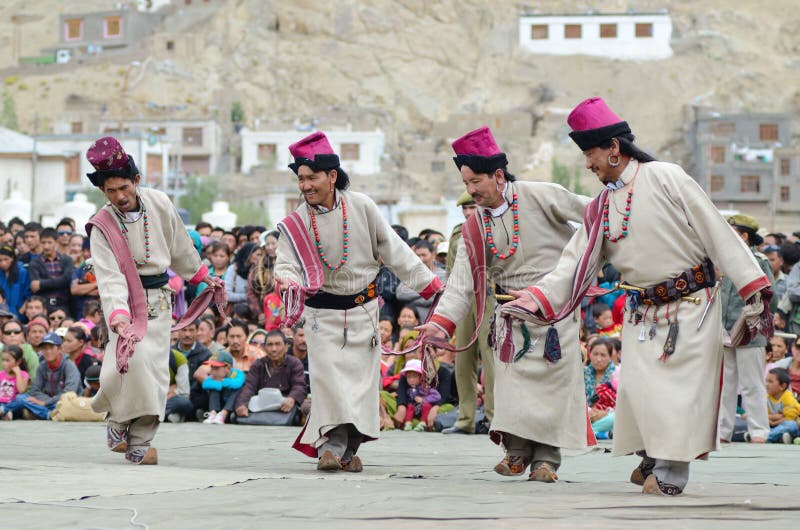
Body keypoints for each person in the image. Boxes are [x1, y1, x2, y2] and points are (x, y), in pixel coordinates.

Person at [500, 97, 774, 495]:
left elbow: (718, 231)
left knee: (676, 398)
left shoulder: (667, 176)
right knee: (642, 396)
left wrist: (753, 287)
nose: (588, 164)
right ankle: (652, 454)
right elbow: (573, 262)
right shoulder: (600, 207)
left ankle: (669, 474)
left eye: (590, 154)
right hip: (642, 315)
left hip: (691, 310)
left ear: (614, 148)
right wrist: (538, 296)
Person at [418, 126, 590, 482]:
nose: (471, 191)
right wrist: (438, 325)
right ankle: (516, 452)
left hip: (555, 312)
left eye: (476, 181)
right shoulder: (473, 227)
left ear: (498, 175)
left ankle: (546, 459)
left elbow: (594, 213)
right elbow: (461, 283)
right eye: (466, 184)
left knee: (551, 388)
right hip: (509, 316)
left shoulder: (541, 194)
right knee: (510, 388)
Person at [275, 131, 442, 472]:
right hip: (321, 313)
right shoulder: (296, 222)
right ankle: (331, 446)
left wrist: (432, 287)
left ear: (332, 176)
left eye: (312, 178)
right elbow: (286, 261)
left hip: (365, 311)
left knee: (359, 386)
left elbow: (394, 250)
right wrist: (288, 281)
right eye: (301, 179)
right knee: (328, 383)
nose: (305, 186)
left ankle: (347, 448)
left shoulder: (362, 206)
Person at [84, 137, 219, 465]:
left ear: (137, 181)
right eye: (111, 191)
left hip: (159, 301)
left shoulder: (159, 202)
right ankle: (117, 419)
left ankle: (140, 443)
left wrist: (203, 278)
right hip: (124, 305)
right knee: (123, 366)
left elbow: (181, 248)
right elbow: (109, 275)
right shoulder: (102, 225)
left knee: (155, 374)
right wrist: (117, 313)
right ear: (103, 191)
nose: (119, 196)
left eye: (124, 188)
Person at [718, 215, 774, 444]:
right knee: (725, 384)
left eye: (733, 231)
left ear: (744, 236)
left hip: (750, 329)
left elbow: (771, 295)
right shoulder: (722, 259)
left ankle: (759, 430)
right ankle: (722, 431)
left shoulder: (759, 261)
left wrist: (753, 317)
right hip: (724, 328)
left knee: (752, 384)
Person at [442, 190, 495, 436]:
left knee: (490, 359)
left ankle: (494, 419)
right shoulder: (457, 233)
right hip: (463, 297)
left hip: (489, 295)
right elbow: (451, 268)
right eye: (465, 209)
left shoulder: (494, 228)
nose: (468, 212)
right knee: (462, 359)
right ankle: (465, 419)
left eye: (472, 207)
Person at [235, 329, 307, 425]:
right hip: (262, 405)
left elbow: (299, 385)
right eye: (270, 345)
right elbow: (249, 386)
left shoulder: (294, 363)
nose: (274, 349)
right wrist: (242, 404)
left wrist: (292, 398)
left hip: (285, 405)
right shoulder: (258, 364)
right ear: (264, 348)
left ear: (286, 347)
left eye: (278, 344)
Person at [5, 332, 80, 420]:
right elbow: (34, 390)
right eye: (44, 348)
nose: (48, 351)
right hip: (48, 403)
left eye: (51, 348)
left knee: (64, 402)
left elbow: (69, 393)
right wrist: (43, 401)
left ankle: (7, 411)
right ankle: (48, 414)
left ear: (60, 349)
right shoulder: (42, 366)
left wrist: (45, 403)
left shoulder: (69, 366)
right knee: (21, 398)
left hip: (67, 403)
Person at [201, 351, 245, 425]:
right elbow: (205, 384)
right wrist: (219, 385)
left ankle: (223, 414)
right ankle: (213, 413)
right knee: (213, 388)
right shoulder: (213, 376)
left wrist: (222, 381)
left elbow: (237, 384)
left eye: (216, 368)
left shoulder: (237, 373)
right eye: (212, 367)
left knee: (238, 389)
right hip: (220, 403)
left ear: (228, 367)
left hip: (234, 405)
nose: (213, 371)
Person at [399, 359, 441, 432]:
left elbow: (437, 396)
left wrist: (424, 399)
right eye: (409, 377)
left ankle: (423, 422)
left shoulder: (425, 388)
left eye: (414, 377)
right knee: (409, 406)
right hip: (414, 408)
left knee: (426, 406)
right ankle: (408, 422)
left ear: (421, 377)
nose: (411, 380)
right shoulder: (409, 388)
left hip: (423, 408)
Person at [765, 367, 800, 443]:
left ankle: (766, 437)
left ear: (782, 386)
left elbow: (790, 419)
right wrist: (771, 418)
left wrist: (773, 422)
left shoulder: (788, 397)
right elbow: (762, 414)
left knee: (790, 425)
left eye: (770, 382)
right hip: (774, 426)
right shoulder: (767, 397)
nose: (766, 384)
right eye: (766, 381)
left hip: (793, 427)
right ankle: (782, 438)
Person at [0, 244, 31, 319]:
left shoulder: (22, 272)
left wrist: (22, 309)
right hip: (2, 314)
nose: (3, 263)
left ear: (12, 258)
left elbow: (29, 294)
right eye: (0, 260)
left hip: (19, 313)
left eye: (6, 259)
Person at [0, 345, 29, 420]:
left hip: (14, 404)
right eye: (3, 360)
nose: (4, 363)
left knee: (23, 398)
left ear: (18, 361)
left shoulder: (24, 374)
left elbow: (21, 390)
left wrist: (18, 373)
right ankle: (5, 413)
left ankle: (4, 411)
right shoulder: (1, 374)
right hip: (1, 402)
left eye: (7, 360)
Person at [164, 348, 193, 423]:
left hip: (168, 399)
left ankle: (158, 415)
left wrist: (163, 393)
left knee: (184, 402)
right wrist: (172, 387)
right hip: (149, 399)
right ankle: (168, 415)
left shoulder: (178, 358)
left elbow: (184, 391)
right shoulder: (145, 357)